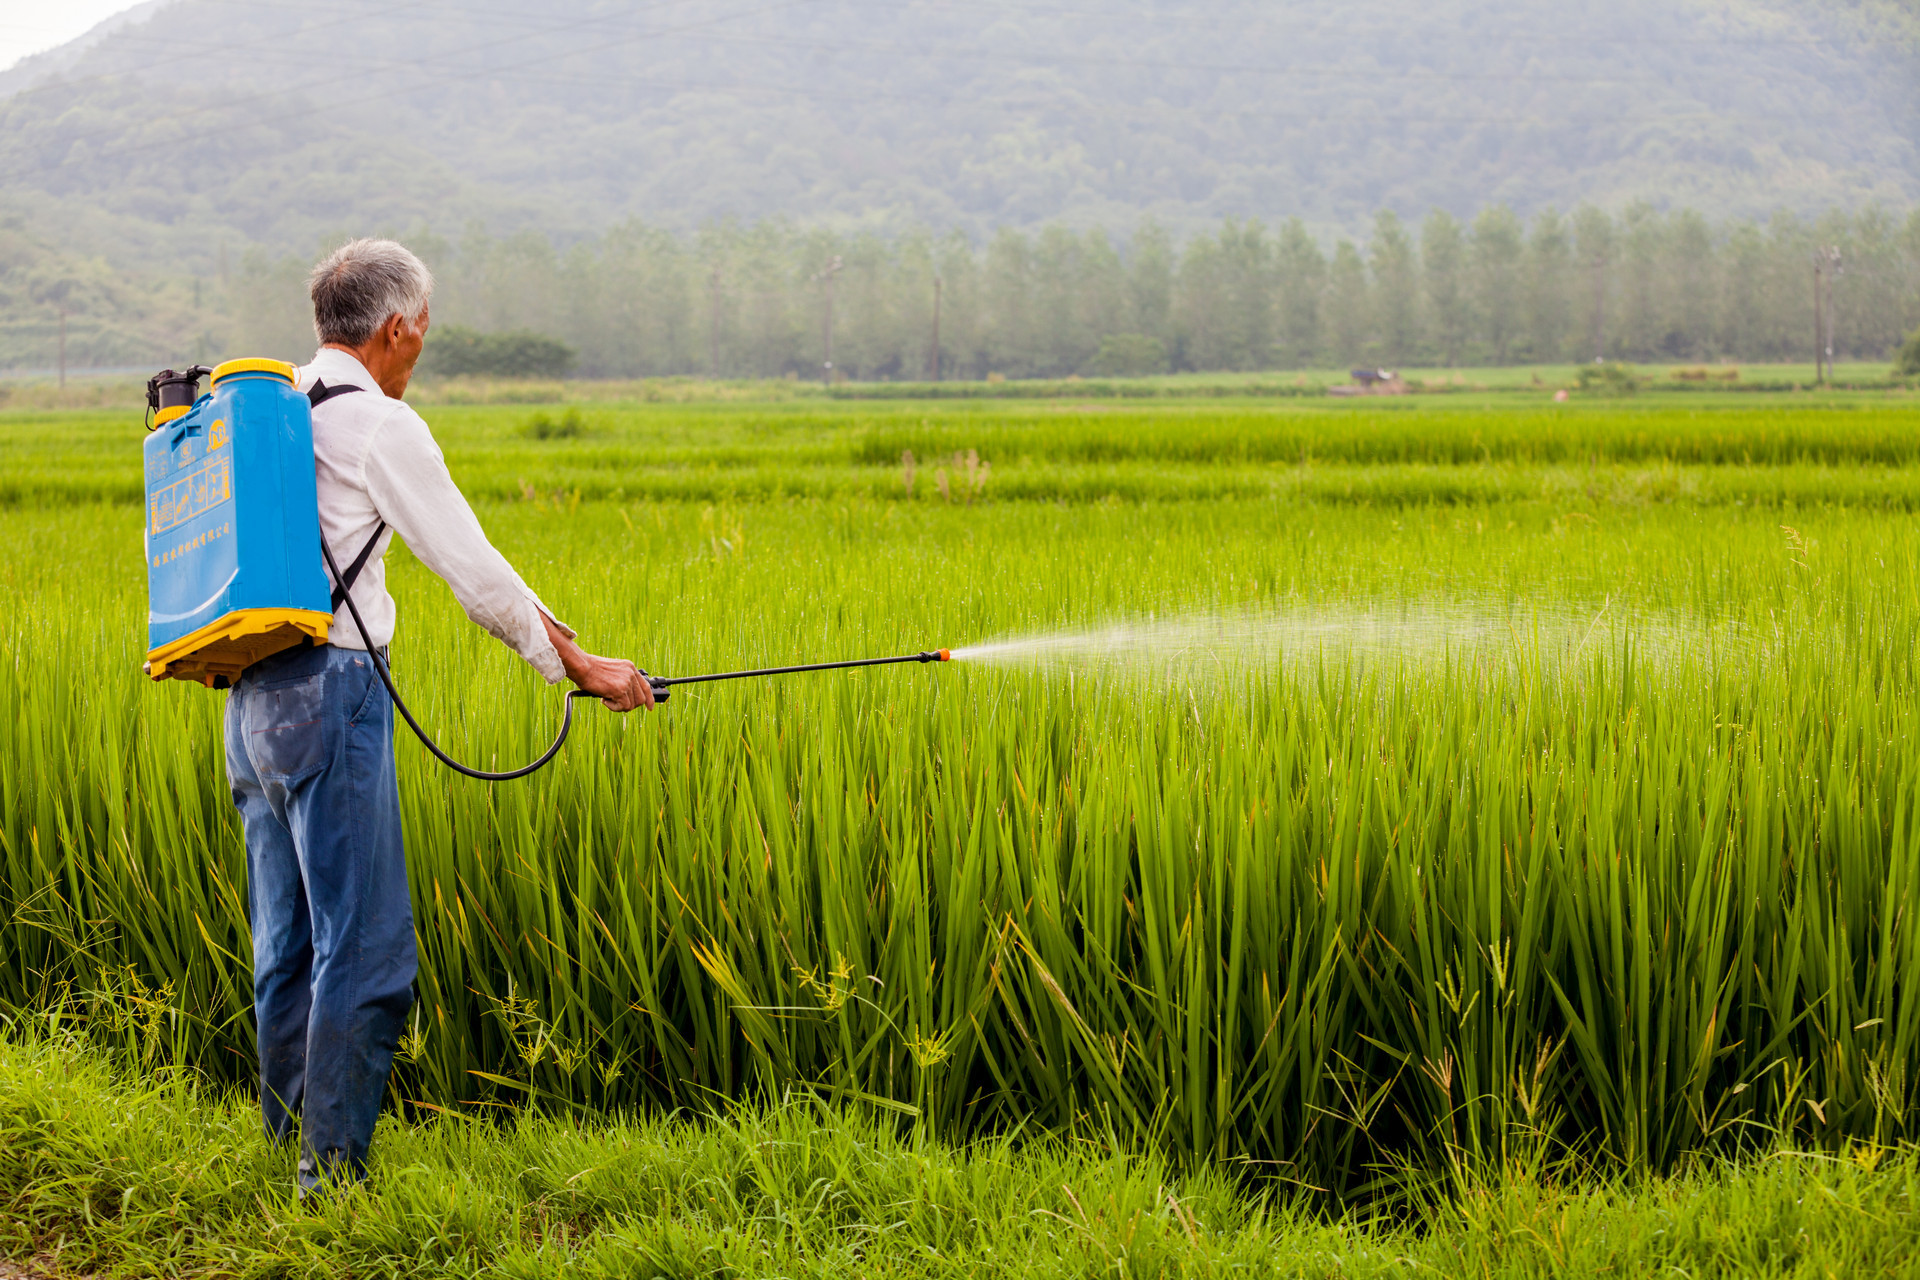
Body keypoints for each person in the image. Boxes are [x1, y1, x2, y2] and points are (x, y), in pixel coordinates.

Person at [224, 238, 652, 1195]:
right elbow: (475, 569)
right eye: (424, 329)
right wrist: (573, 664)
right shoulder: (379, 427)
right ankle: (329, 1182)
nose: (423, 345)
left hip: (251, 700)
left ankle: (287, 1144)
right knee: (368, 951)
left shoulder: (276, 407)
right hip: (333, 695)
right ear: (398, 326)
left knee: (287, 941)